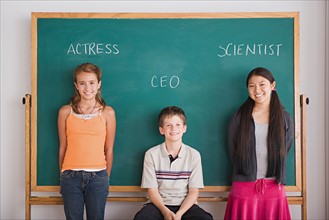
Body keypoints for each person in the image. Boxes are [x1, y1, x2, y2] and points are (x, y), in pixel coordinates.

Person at [224, 67, 294, 220]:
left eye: (262, 84)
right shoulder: (238, 118)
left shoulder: (285, 119)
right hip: (244, 186)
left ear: (272, 85)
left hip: (274, 186)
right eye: (251, 86)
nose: (257, 90)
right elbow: (233, 151)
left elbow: (285, 150)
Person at [58, 62, 116, 220]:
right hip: (70, 177)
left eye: (91, 83)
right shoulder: (65, 112)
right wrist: (63, 174)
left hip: (98, 177)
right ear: (76, 85)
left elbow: (109, 149)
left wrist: (105, 178)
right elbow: (63, 146)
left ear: (99, 84)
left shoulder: (107, 113)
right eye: (82, 83)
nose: (87, 88)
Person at [133, 106, 213, 220]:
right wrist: (165, 212)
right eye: (168, 125)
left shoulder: (194, 155)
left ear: (184, 128)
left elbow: (194, 191)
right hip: (158, 205)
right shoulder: (151, 154)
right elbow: (152, 190)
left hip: (186, 205)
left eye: (178, 125)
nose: (173, 129)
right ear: (161, 130)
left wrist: (180, 213)